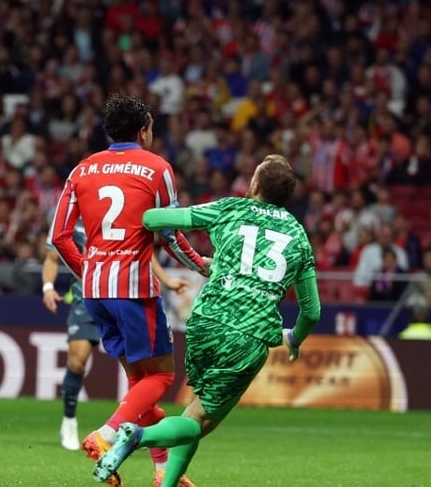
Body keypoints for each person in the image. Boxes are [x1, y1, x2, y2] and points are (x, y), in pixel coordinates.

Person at [93, 154, 322, 487]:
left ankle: (167, 482)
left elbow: (155, 219)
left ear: (254, 184)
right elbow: (312, 311)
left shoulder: (230, 208)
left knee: (195, 412)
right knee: (199, 420)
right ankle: (136, 437)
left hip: (204, 323)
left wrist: (137, 211)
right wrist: (294, 339)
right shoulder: (299, 237)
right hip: (248, 336)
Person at [50, 94, 206, 487]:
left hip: (95, 291)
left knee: (140, 386)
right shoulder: (157, 168)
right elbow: (168, 236)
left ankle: (161, 469)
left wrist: (90, 269)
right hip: (134, 289)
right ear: (143, 131)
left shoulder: (82, 169)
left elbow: (60, 235)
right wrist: (202, 264)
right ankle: (105, 435)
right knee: (162, 379)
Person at [41, 223, 190, 452]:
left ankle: (144, 439)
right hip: (88, 298)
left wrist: (167, 281)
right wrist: (48, 286)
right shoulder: (69, 218)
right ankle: (71, 422)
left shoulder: (114, 212)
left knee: (140, 376)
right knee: (78, 361)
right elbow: (53, 256)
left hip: (120, 295)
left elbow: (143, 253)